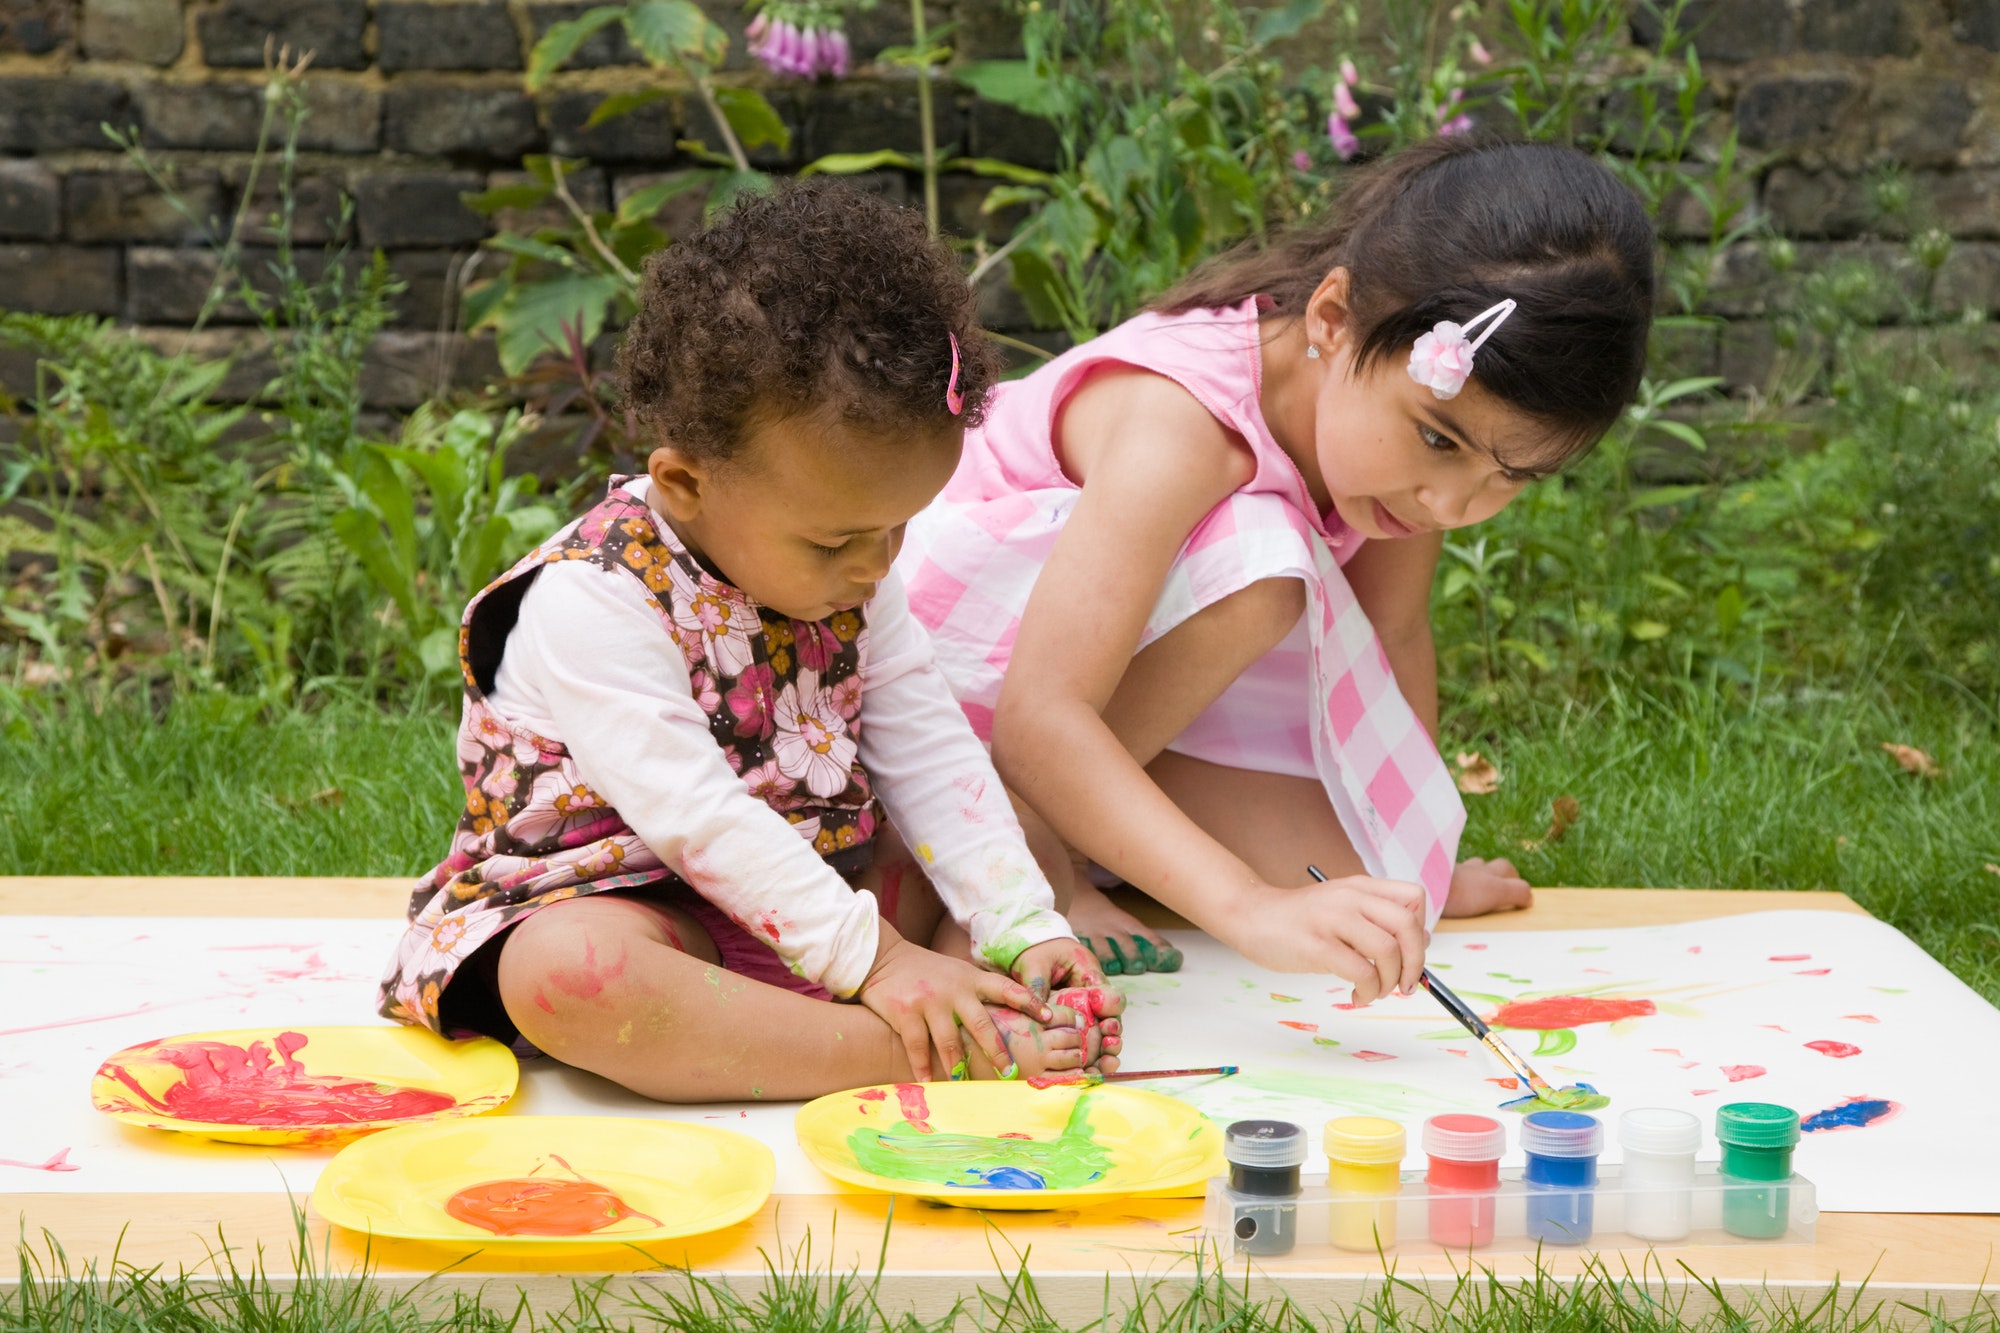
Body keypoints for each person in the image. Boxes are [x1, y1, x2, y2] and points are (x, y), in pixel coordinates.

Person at [378, 180, 1119, 1102]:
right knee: (569, 977)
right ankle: (904, 1046)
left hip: (824, 892)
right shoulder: (589, 600)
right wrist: (884, 963)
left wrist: (1025, 926)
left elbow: (927, 751)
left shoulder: (855, 570)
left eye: (897, 530)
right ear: (685, 482)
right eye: (838, 540)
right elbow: (701, 821)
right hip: (646, 916)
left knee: (1026, 850)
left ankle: (968, 995)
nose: (877, 565)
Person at [899, 137, 1655, 1000]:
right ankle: (1021, 869)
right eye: (1440, 441)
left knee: (1362, 891)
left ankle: (1083, 842)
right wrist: (1251, 907)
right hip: (940, 664)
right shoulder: (1181, 425)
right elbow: (1041, 718)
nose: (1453, 504)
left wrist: (1416, 870)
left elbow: (1395, 631)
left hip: (1094, 686)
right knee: (1263, 568)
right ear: (1332, 319)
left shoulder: (1405, 458)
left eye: (1509, 475)